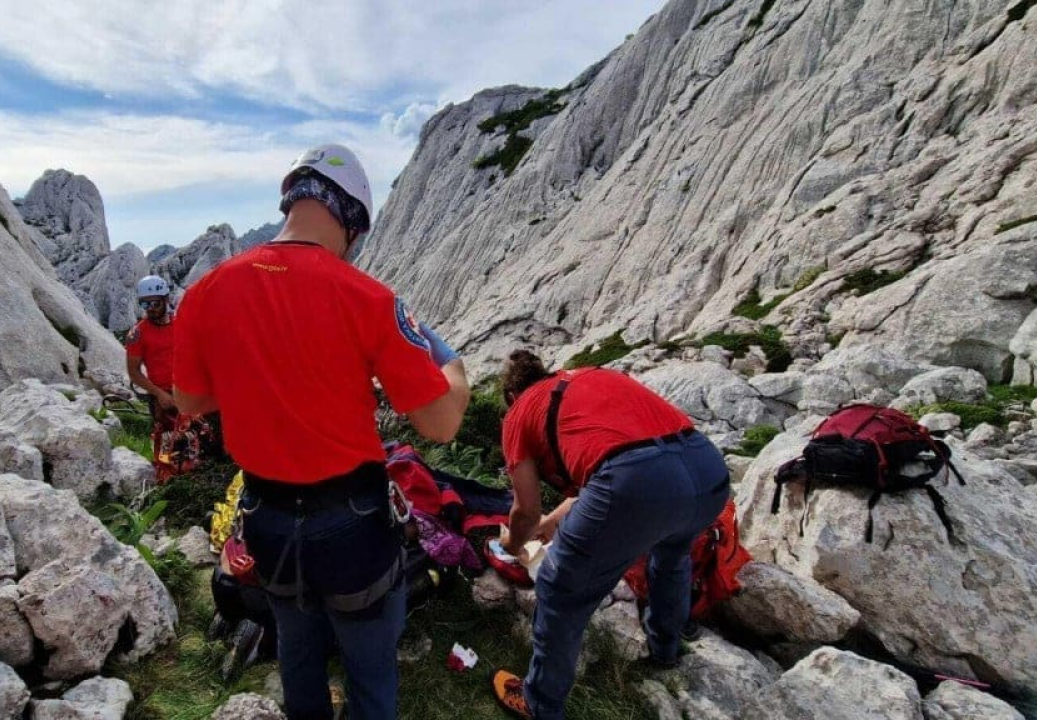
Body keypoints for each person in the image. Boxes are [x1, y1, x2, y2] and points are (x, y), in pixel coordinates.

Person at [172, 143, 469, 720]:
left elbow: (190, 399)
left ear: (291, 200)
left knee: (297, 654)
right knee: (370, 670)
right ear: (353, 224)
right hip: (350, 525)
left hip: (267, 517)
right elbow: (442, 423)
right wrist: (451, 365)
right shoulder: (369, 298)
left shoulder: (207, 292)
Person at [490, 349, 730, 720]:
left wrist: (513, 544)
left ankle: (540, 704)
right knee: (671, 556)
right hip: (707, 470)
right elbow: (615, 454)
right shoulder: (589, 377)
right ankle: (666, 650)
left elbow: (525, 510)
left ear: (511, 395)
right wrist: (553, 522)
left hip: (636, 484)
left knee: (559, 589)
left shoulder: (519, 413)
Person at [125, 274, 176, 427]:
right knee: (169, 446)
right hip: (163, 395)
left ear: (166, 300)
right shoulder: (138, 334)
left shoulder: (182, 323)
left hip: (189, 389)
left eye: (155, 303)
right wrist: (158, 393)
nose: (151, 309)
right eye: (145, 305)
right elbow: (133, 372)